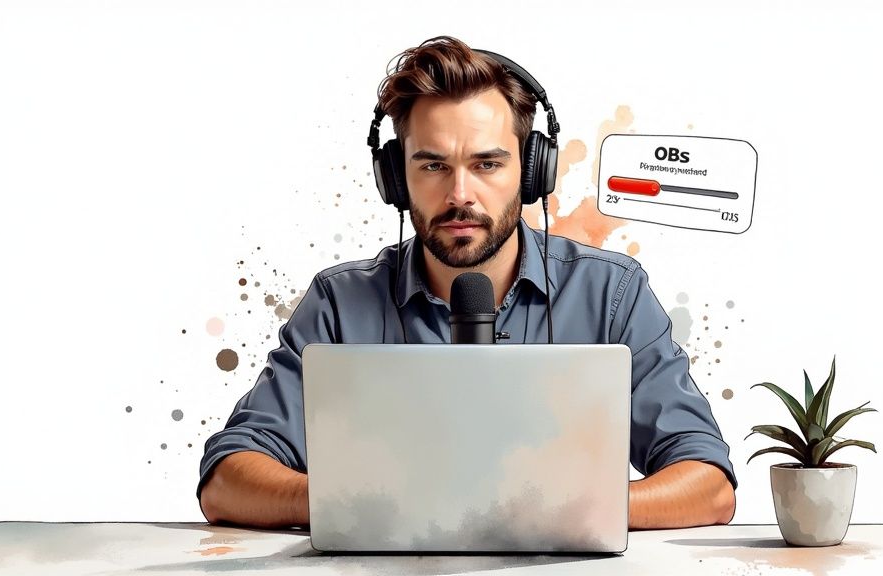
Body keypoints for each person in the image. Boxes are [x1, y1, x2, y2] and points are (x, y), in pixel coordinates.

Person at [198, 36, 737, 530]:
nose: (460, 194)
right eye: (432, 166)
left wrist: (551, 509)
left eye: (486, 164)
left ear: (530, 172)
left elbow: (708, 487)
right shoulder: (341, 303)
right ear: (395, 177)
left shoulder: (612, 295)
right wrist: (358, 502)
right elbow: (227, 483)